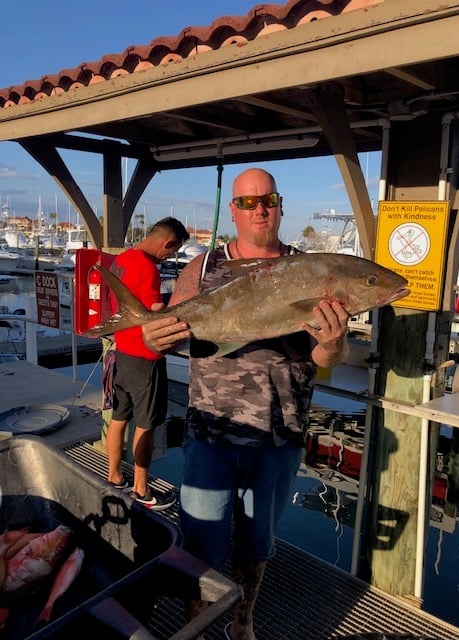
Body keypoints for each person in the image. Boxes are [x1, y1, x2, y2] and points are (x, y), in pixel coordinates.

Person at [141, 168, 349, 638]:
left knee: (257, 544)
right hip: (211, 430)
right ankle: (196, 620)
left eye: (269, 199)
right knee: (200, 540)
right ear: (233, 210)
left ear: (280, 204)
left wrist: (335, 344)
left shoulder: (311, 271)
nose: (261, 209)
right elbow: (174, 339)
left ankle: (243, 620)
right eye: (249, 202)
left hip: (280, 432)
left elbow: (324, 357)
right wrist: (155, 338)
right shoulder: (202, 269)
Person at [106, 216, 189, 510]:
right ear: (168, 243)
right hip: (146, 357)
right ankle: (141, 490)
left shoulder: (125, 259)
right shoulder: (148, 268)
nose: (171, 256)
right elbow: (155, 312)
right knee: (146, 425)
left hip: (122, 353)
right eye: (174, 251)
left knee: (119, 418)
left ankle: (114, 476)